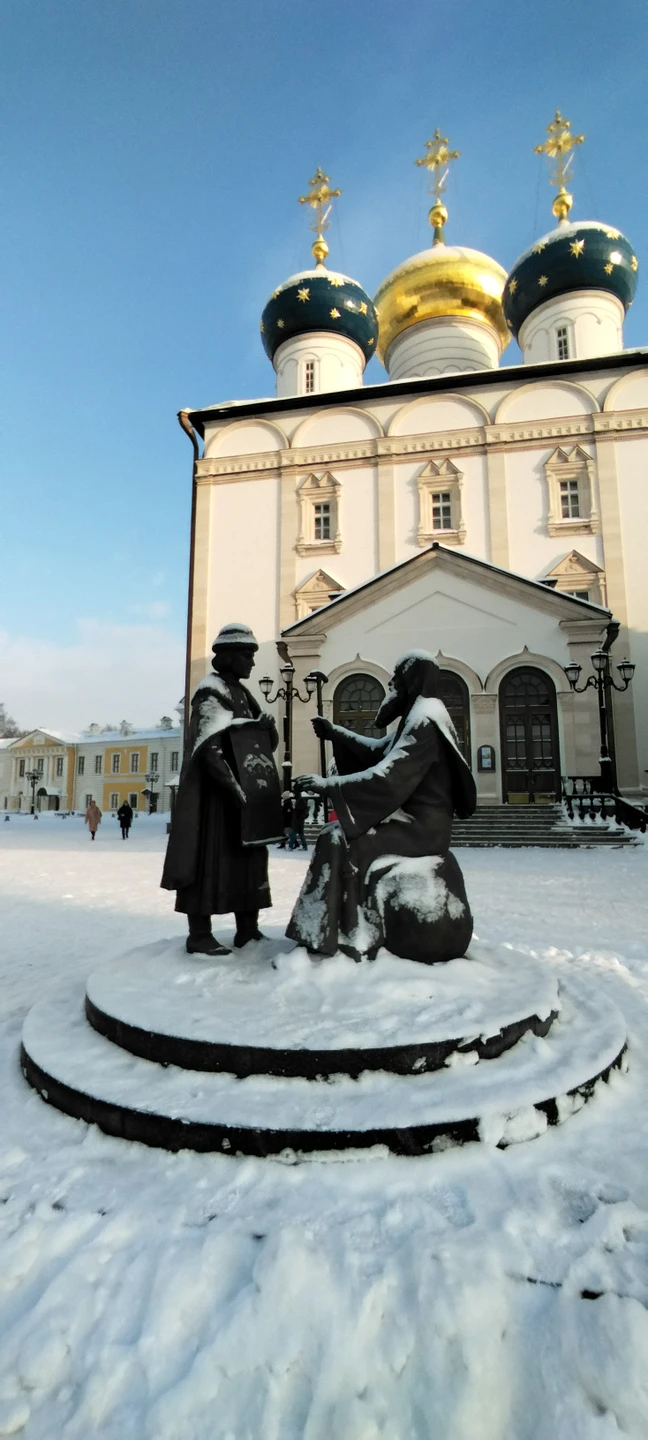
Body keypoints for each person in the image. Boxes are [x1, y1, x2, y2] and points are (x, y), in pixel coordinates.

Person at [287, 652, 477, 963]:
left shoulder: (425, 719)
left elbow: (390, 777)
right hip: (411, 823)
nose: (390, 692)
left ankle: (345, 933)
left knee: (340, 839)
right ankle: (332, 929)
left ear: (410, 684)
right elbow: (380, 752)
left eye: (395, 684)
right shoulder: (418, 715)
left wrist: (329, 785)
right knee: (336, 835)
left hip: (422, 830)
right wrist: (338, 733)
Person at [161, 623, 279, 956]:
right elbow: (210, 749)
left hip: (242, 801)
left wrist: (266, 729)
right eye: (246, 655)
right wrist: (234, 789)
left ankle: (247, 929)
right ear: (226, 657)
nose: (252, 663)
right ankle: (199, 934)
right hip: (216, 803)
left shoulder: (242, 693)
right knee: (210, 863)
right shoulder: (211, 691)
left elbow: (259, 745)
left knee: (249, 861)